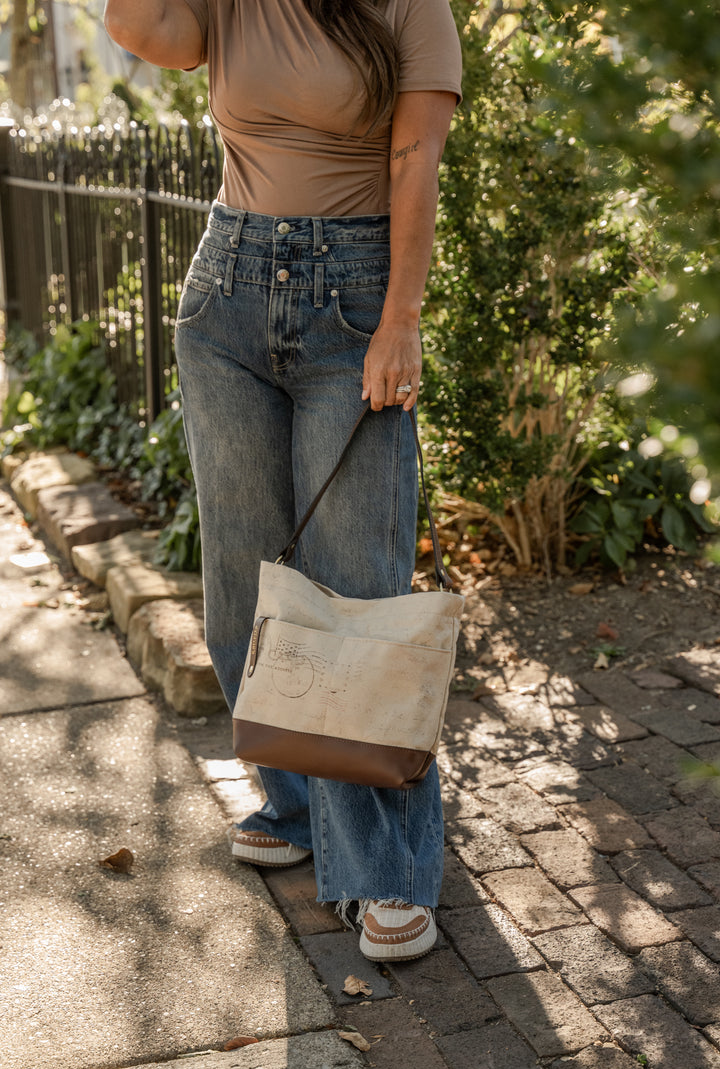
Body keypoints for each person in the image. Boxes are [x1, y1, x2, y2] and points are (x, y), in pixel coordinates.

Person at [104, 0, 462, 962]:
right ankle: (297, 802)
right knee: (241, 588)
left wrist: (401, 319)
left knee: (354, 593)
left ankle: (387, 866)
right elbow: (140, 29)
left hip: (355, 297)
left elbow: (416, 162)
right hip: (227, 292)